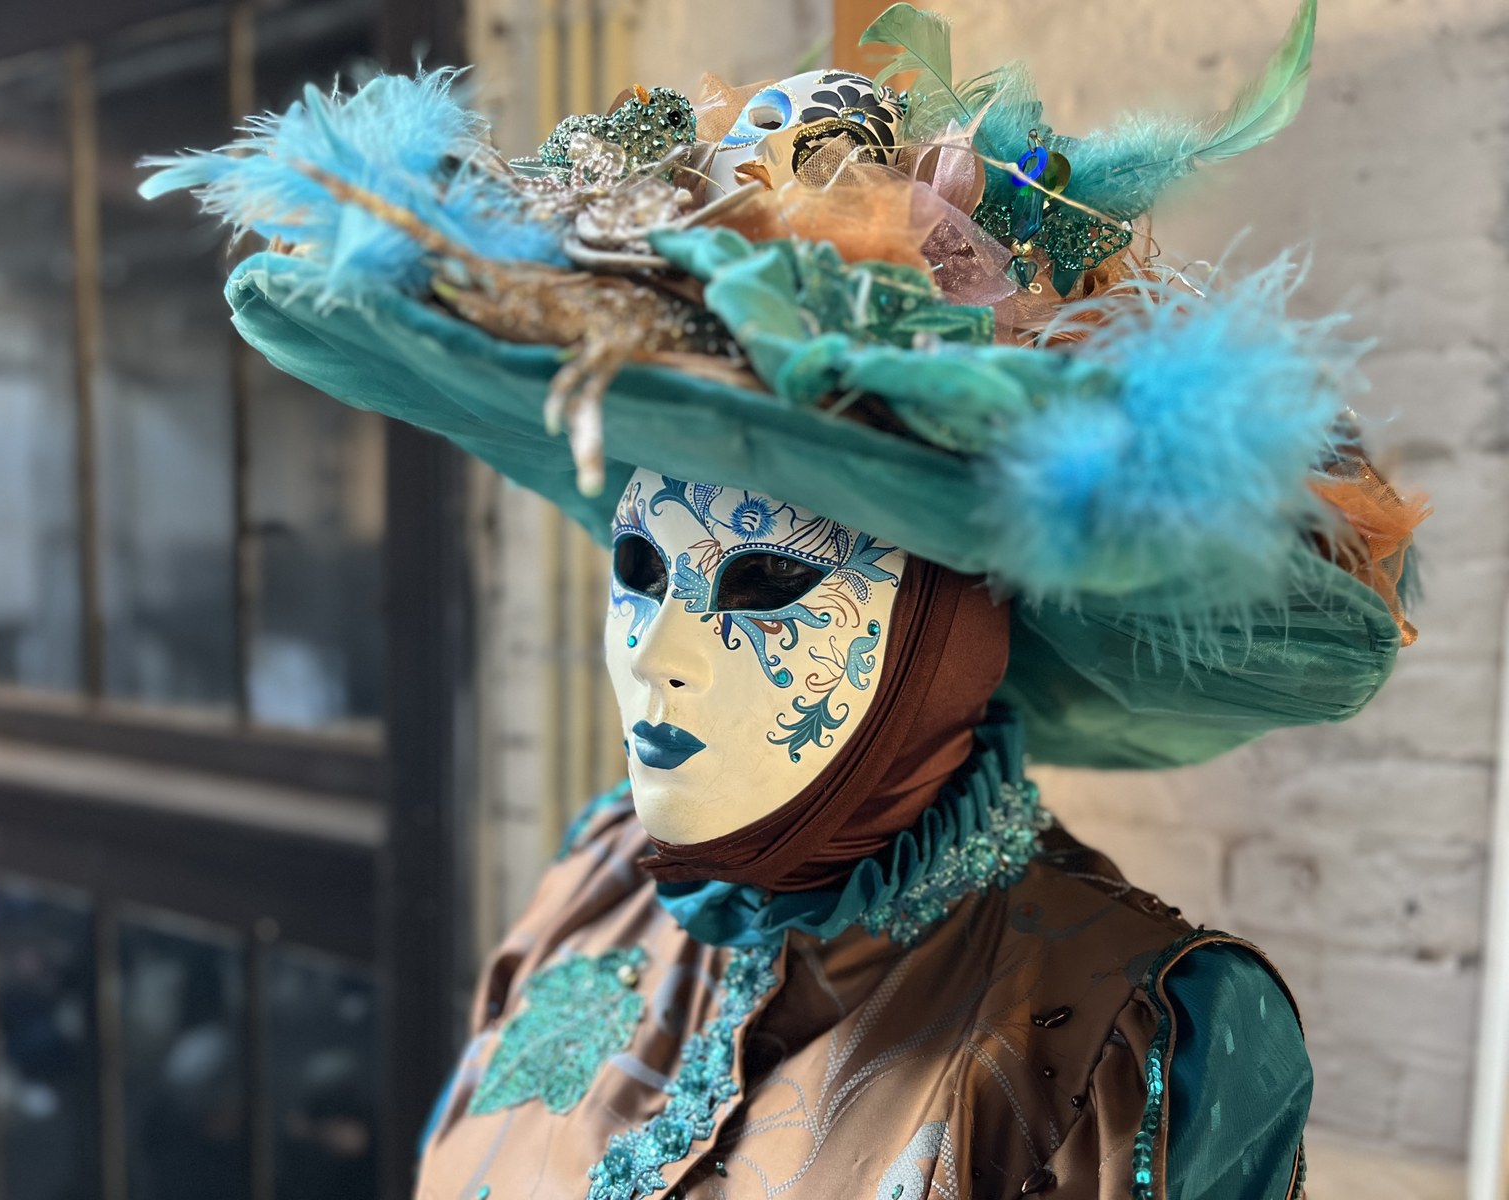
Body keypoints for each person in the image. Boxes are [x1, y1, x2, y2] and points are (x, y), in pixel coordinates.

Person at [144, 2, 1427, 1195]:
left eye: (763, 581)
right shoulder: (601, 878)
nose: (656, 657)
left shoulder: (1125, 1039)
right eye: (638, 568)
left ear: (946, 631)